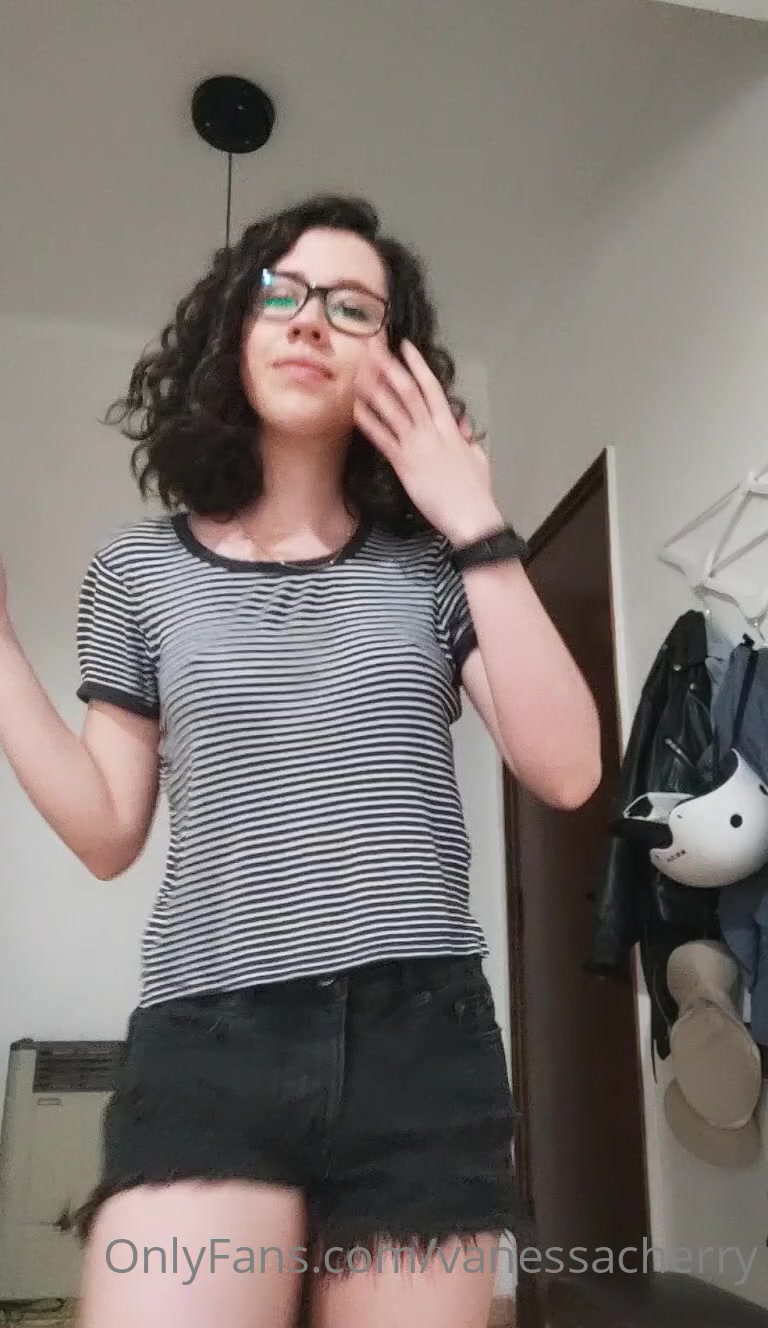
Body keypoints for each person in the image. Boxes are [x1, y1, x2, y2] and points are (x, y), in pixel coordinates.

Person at [0, 193, 601, 1328]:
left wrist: (473, 517)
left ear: (393, 360)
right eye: (283, 294)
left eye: (352, 306)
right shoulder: (136, 571)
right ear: (235, 326)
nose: (311, 319)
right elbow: (108, 831)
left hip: (423, 1041)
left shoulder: (434, 564)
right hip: (211, 1033)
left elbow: (568, 770)